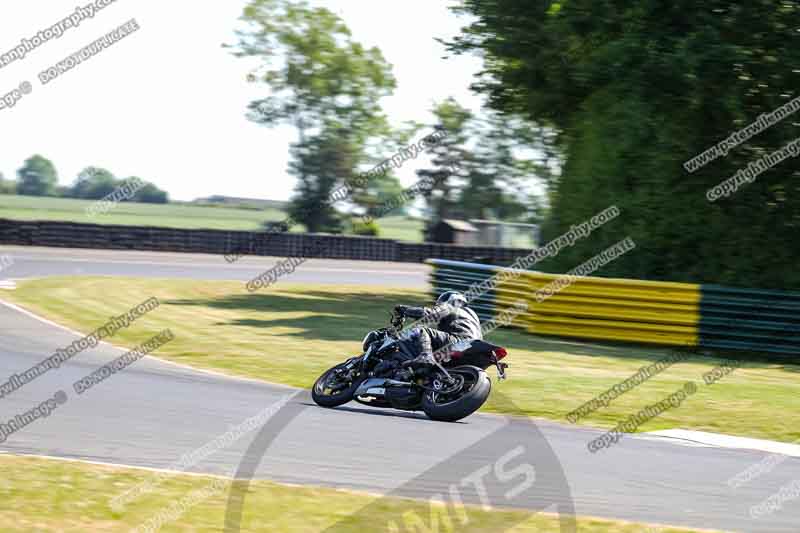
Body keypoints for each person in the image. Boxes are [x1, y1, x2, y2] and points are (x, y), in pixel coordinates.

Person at [392, 290, 483, 368]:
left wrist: (405, 310)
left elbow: (429, 314)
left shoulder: (450, 306)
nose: (439, 304)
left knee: (420, 330)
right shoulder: (473, 315)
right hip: (475, 348)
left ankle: (425, 356)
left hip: (459, 342)